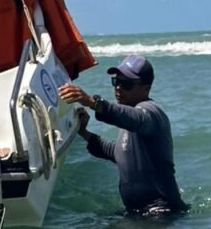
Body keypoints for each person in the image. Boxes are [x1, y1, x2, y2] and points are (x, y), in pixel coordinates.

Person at [58, 54, 189, 215]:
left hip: (161, 213)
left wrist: (93, 102)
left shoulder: (151, 112)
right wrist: (84, 132)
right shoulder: (129, 118)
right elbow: (119, 153)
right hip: (138, 213)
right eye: (116, 82)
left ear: (146, 88)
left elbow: (135, 118)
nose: (118, 88)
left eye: (126, 84)